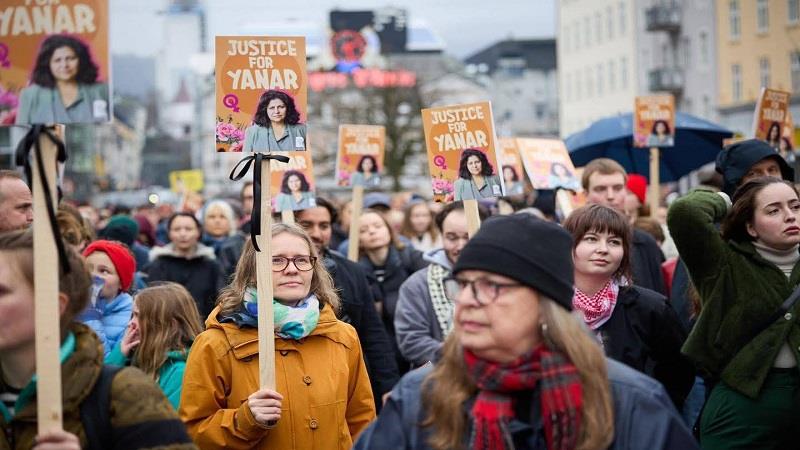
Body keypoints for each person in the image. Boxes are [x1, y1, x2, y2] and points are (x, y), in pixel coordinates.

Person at [354, 214, 698, 449]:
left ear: (545, 305)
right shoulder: (420, 396)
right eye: (463, 284)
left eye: (491, 286)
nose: (468, 301)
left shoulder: (628, 402)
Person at [179, 223, 376, 449]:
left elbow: (362, 422)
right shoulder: (216, 344)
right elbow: (193, 432)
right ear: (252, 270)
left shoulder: (343, 337)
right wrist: (244, 420)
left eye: (301, 260)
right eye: (277, 260)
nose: (292, 269)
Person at [0, 230, 196, 449]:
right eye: (90, 270)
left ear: (55, 305)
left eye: (2, 291)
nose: (96, 279)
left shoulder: (126, 393)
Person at [668, 177, 800, 449]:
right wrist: (727, 201)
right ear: (750, 227)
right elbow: (685, 212)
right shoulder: (725, 263)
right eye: (774, 210)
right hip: (742, 410)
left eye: (796, 206)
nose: (790, 216)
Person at [564, 204, 693, 408]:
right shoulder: (550, 305)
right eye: (591, 239)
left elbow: (678, 372)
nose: (603, 249)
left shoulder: (650, 308)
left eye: (614, 242)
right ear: (569, 244)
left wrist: (649, 411)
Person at [295, 197, 400, 407]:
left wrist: (389, 385)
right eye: (306, 225)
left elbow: (372, 332)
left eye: (324, 226)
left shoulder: (352, 271)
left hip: (348, 380)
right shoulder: (272, 273)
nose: (316, 234)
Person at [394, 201, 488, 367]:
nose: (461, 246)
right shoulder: (417, 285)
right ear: (441, 236)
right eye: (452, 237)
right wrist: (462, 355)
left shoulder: (502, 280)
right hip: (441, 374)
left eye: (468, 237)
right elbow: (411, 340)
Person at [106, 283, 203, 410]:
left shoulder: (180, 373)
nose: (130, 323)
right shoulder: (133, 358)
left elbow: (161, 419)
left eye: (138, 316)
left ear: (169, 326)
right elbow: (98, 395)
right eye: (132, 315)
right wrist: (119, 354)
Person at [582, 158, 666, 294]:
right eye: (601, 189)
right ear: (586, 195)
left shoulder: (645, 243)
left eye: (617, 188)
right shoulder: (571, 242)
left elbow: (660, 296)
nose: (610, 196)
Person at [358, 209, 429, 372]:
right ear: (357, 239)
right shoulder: (356, 272)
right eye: (363, 230)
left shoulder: (413, 258)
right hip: (381, 355)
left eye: (377, 226)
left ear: (389, 230)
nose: (371, 231)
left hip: (415, 349)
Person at [16, 34, 109, 124]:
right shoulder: (30, 95)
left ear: (81, 60)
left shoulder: (102, 90)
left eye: (70, 58)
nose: (64, 65)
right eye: (57, 60)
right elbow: (21, 132)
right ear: (47, 64)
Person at [146, 212, 225, 319]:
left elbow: (218, 300)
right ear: (169, 233)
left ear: (198, 232)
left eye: (188, 229)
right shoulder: (159, 265)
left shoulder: (211, 265)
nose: (182, 234)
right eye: (177, 229)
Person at [80, 240, 136, 357]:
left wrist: (91, 318)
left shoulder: (132, 318)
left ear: (121, 282)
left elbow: (108, 363)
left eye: (103, 271)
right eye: (88, 268)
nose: (93, 275)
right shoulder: (72, 306)